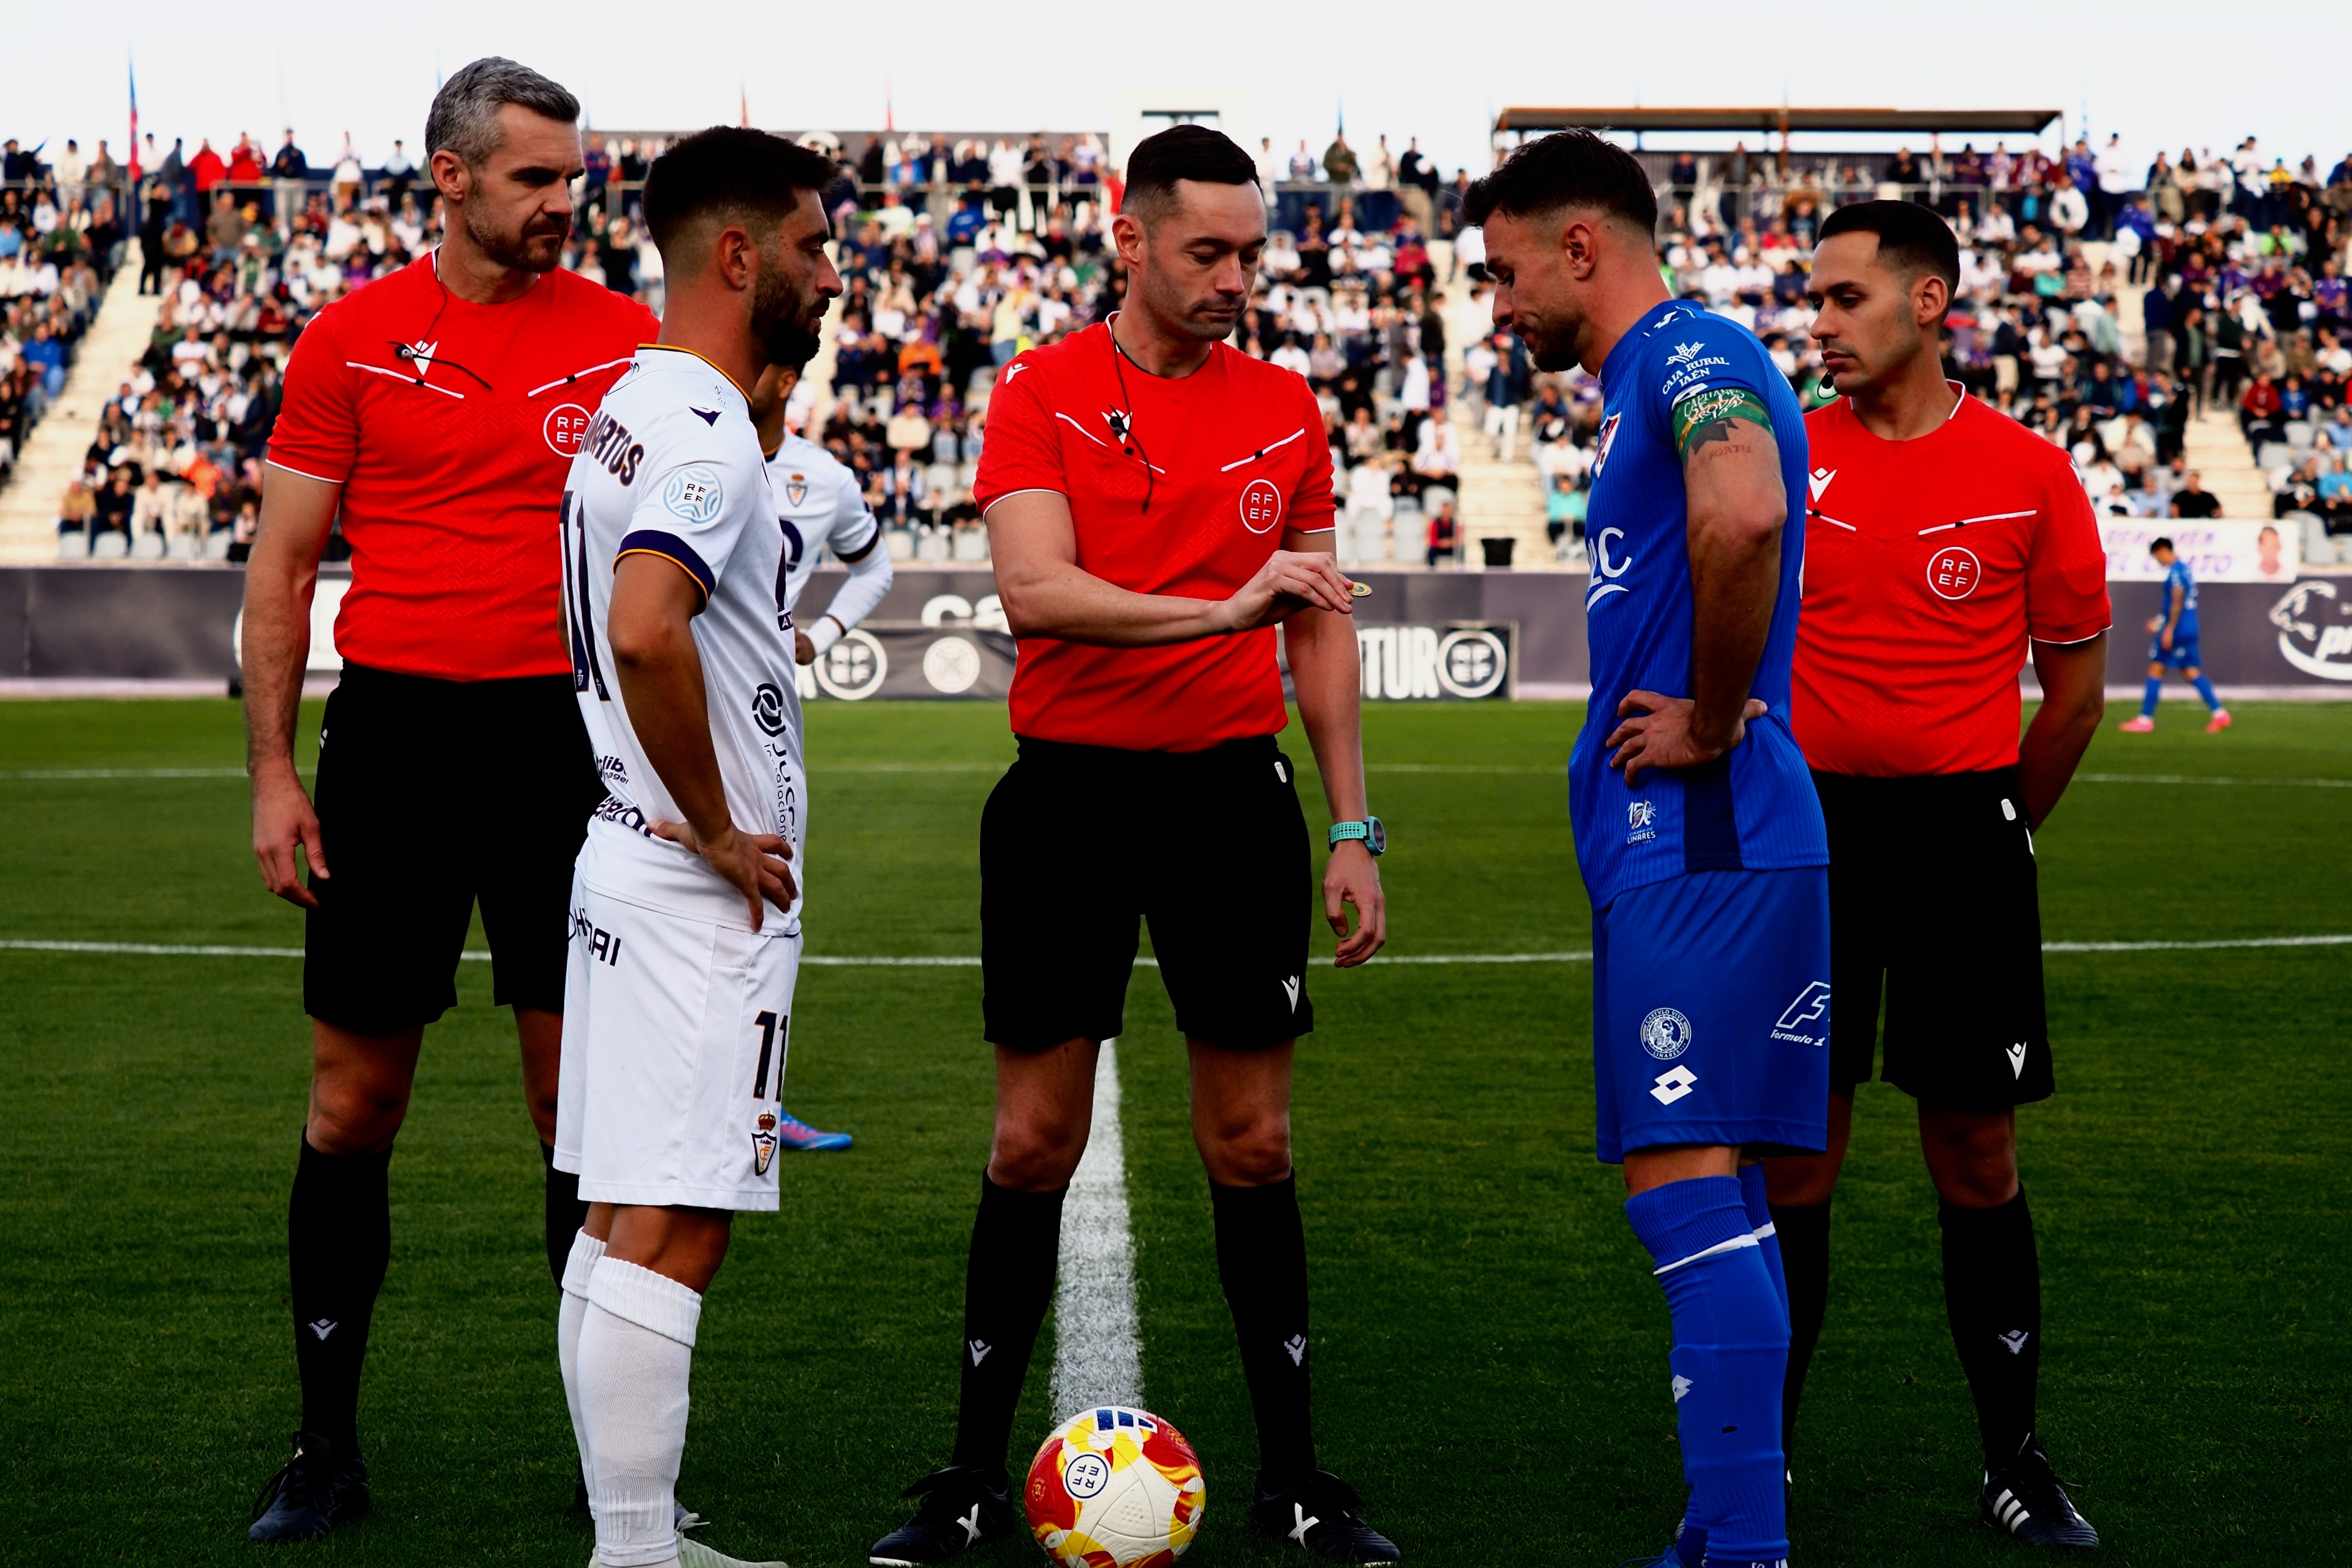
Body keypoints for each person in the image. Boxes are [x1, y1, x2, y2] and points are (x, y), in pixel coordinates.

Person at [867, 124, 1395, 1566]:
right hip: (1067, 801)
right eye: (1204, 251)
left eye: (1248, 253)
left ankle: (1296, 1476)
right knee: (1031, 1137)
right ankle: (970, 1474)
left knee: (1252, 1137)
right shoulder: (1038, 392)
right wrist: (1220, 609)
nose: (1233, 278)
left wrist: (1349, 821)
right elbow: (1036, 592)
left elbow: (1319, 622)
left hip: (1231, 801)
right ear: (1130, 238)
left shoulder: (1286, 407)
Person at [239, 57, 661, 1541]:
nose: (566, 200)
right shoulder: (349, 342)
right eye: (536, 177)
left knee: (578, 1116)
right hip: (398, 747)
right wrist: (279, 770)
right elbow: (284, 570)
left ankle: (605, 1461)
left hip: (570, 755)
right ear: (453, 177)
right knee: (354, 1103)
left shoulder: (626, 341)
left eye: (573, 175)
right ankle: (323, 1446)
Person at [1471, 129, 1826, 1568]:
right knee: (1721, 1193)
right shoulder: (1648, 376)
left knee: (1679, 1182)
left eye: (1504, 273)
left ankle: (1740, 1543)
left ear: (1577, 246)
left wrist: (1712, 715)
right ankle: (1725, 1526)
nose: (1496, 305)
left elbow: (1742, 509)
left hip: (1698, 828)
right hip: (1700, 844)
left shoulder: (1688, 352)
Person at [1775, 200, 2110, 1550]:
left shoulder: (2027, 470)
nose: (1819, 322)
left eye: (1844, 297)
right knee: (1795, 1154)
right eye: (1814, 298)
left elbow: (2075, 691)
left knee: (1972, 1149)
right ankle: (1759, 1457)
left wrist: (1994, 824)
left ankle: (2012, 1455)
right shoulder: (1782, 458)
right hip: (1805, 842)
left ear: (1925, 302)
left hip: (1961, 841)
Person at [553, 124, 843, 1568]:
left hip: (620, 854)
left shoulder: (628, 404)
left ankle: (636, 1529)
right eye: (809, 244)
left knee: (616, 1215)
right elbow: (645, 621)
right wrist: (727, 827)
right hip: (683, 883)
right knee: (675, 1223)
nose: (827, 271)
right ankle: (632, 1550)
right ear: (739, 256)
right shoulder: (712, 431)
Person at [739, 355, 897, 1152]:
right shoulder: (682, 446)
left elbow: (875, 566)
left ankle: (761, 1107)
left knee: (775, 896)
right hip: (665, 701)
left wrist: (823, 636)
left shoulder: (822, 478)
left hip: (768, 712)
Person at [2119, 537, 2229, 733]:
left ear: (2162, 551)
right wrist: (2160, 621)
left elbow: (2178, 597)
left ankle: (2145, 720)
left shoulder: (2176, 572)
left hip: (2177, 629)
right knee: (2191, 672)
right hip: (2190, 628)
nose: (2158, 561)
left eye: (2156, 557)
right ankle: (2219, 713)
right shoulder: (2186, 570)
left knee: (2155, 669)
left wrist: (2168, 628)